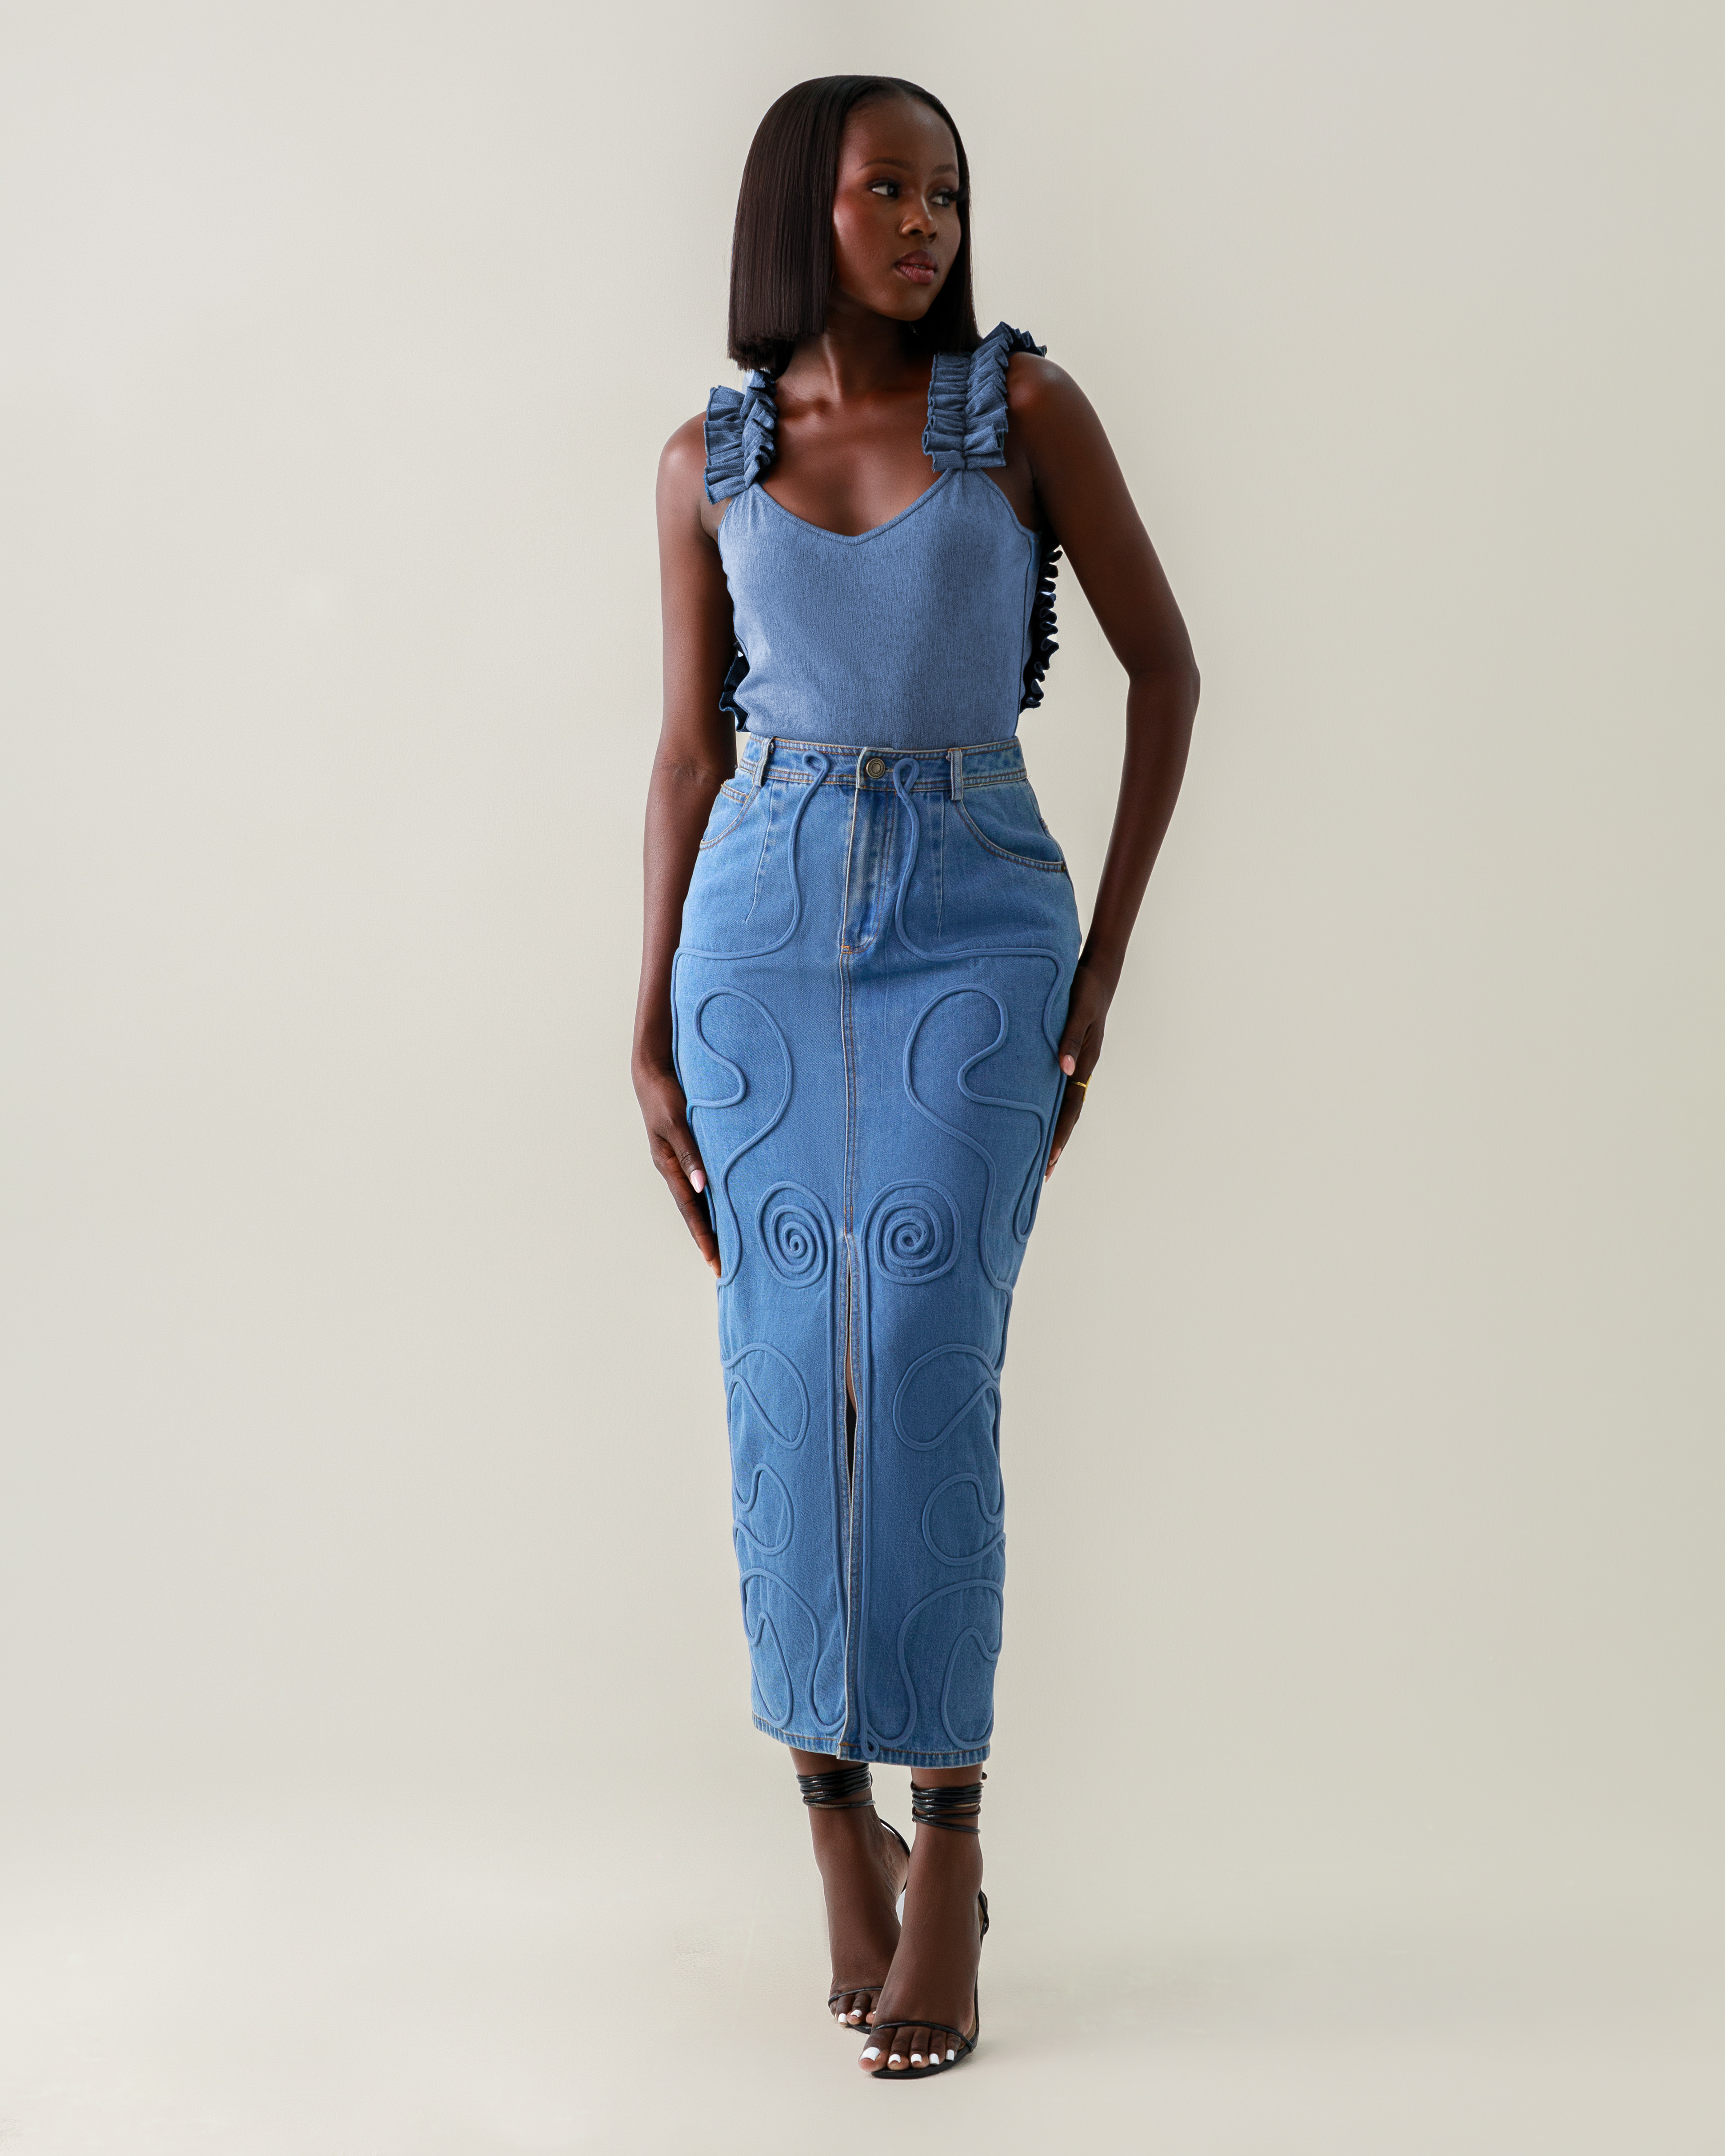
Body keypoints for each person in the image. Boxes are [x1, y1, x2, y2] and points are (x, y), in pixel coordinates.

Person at [632, 73, 1198, 2080]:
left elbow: (1169, 668)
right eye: (888, 187)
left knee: (931, 1355)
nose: (926, 221)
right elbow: (690, 751)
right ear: (804, 205)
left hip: (976, 918)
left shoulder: (1023, 414)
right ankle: (830, 1830)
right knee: (790, 1370)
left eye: (948, 191)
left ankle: (947, 1837)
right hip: (760, 941)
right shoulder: (705, 460)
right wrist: (643, 1018)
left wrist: (1102, 960)